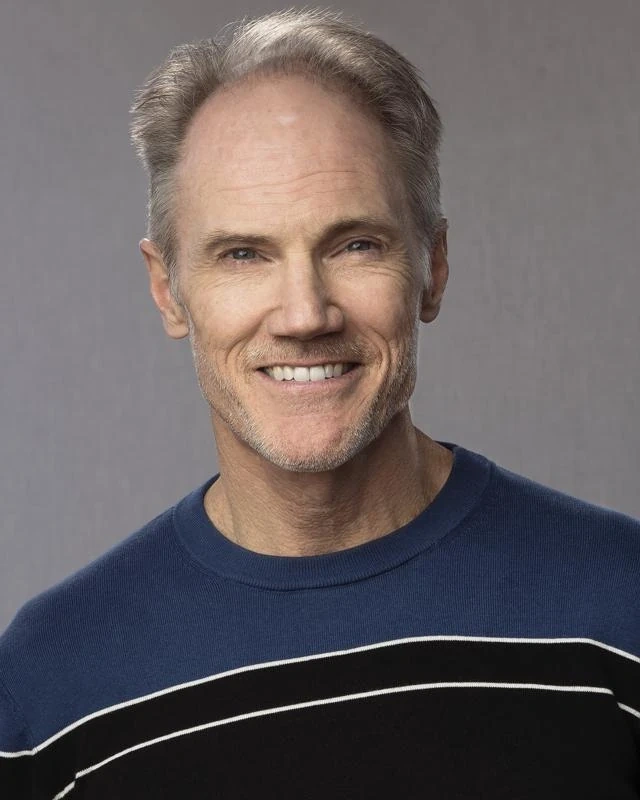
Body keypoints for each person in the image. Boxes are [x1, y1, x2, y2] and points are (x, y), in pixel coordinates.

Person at [1, 7, 639, 798]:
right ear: (168, 289)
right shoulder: (52, 690)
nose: (305, 314)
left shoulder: (620, 609)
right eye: (244, 254)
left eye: (355, 245)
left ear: (432, 267)